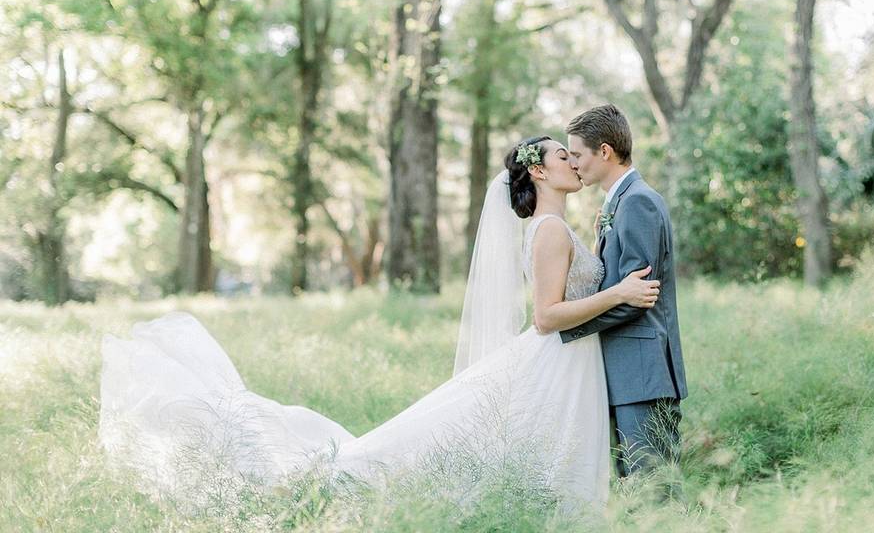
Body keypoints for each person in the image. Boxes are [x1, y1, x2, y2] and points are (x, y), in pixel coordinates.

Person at [97, 135, 660, 511]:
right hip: (555, 356)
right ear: (538, 170)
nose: (575, 162)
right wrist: (620, 291)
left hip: (570, 362)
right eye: (564, 156)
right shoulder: (551, 230)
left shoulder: (557, 227)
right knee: (448, 447)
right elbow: (544, 318)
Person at [561, 104, 688, 481]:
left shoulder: (638, 202)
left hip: (643, 374)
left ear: (605, 151)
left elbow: (638, 296)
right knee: (634, 487)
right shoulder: (618, 201)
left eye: (578, 155)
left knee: (654, 490)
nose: (573, 164)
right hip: (624, 371)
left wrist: (568, 327)